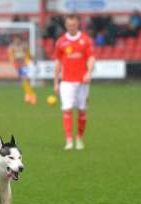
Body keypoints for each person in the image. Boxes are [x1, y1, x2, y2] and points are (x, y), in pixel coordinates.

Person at [53, 14, 95, 150]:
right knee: (67, 109)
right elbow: (57, 62)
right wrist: (55, 82)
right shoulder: (61, 42)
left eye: (74, 24)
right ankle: (69, 140)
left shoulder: (86, 40)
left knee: (82, 110)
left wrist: (89, 72)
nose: (71, 27)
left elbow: (91, 59)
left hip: (83, 81)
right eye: (69, 25)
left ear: (78, 24)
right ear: (66, 25)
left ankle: (79, 138)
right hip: (67, 81)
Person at [8, 35, 37, 104]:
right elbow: (11, 56)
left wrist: (33, 59)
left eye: (17, 39)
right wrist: (13, 62)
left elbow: (28, 54)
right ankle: (28, 95)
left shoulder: (24, 46)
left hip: (25, 64)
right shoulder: (12, 47)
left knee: (25, 79)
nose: (16, 41)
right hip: (18, 66)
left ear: (20, 40)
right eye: (15, 39)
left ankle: (32, 96)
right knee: (24, 80)